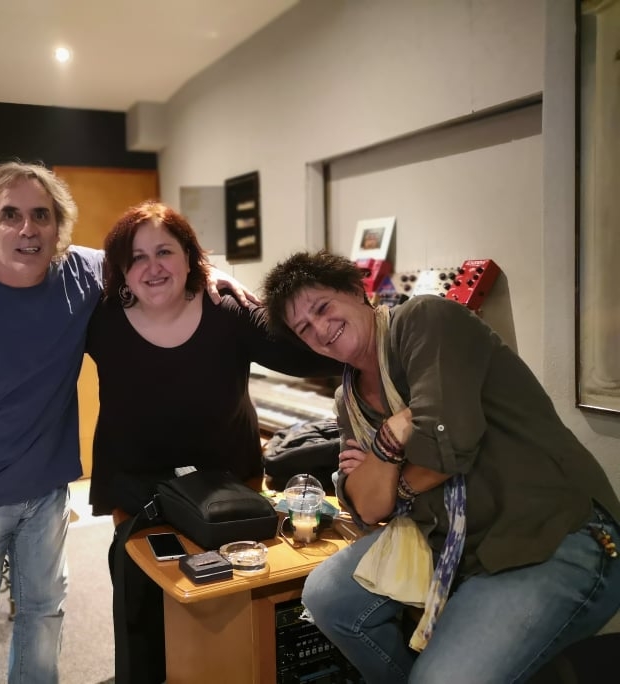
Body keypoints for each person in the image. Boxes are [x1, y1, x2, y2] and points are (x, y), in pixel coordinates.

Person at [0, 161, 257, 684]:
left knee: (43, 617)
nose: (28, 229)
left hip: (46, 493)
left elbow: (151, 262)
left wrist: (213, 273)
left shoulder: (81, 274)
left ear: (57, 225)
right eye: (10, 215)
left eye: (41, 215)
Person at [260, 250, 620, 684]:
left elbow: (448, 451)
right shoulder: (347, 398)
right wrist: (392, 439)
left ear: (356, 291)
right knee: (328, 597)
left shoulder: (424, 321)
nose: (320, 329)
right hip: (450, 540)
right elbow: (369, 508)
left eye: (322, 307)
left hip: (551, 535)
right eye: (304, 328)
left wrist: (386, 472)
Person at [85, 202, 342, 683]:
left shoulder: (228, 312)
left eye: (165, 251)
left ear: (189, 256)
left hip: (228, 485)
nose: (152, 266)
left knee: (226, 598)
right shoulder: (103, 318)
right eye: (137, 257)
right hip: (138, 488)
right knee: (143, 599)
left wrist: (378, 335)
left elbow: (305, 354)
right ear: (122, 270)